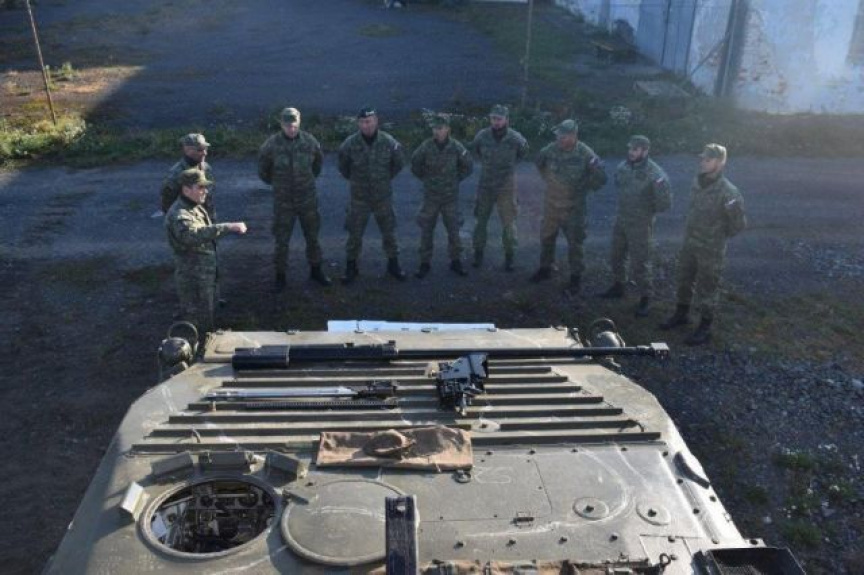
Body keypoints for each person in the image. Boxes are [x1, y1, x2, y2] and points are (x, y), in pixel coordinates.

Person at [660, 143, 746, 345]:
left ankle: (705, 326)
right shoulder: (698, 182)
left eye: (708, 159)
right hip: (690, 242)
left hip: (710, 248)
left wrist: (716, 236)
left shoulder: (728, 192)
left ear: (720, 162)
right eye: (703, 159)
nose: (703, 162)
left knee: (707, 286)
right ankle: (681, 313)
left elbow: (738, 225)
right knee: (683, 278)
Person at [165, 169, 247, 334]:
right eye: (200, 187)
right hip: (193, 277)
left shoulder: (194, 207)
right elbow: (192, 236)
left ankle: (210, 334)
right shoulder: (180, 214)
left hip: (203, 273)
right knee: (198, 320)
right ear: (186, 189)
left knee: (209, 311)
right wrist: (228, 227)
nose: (205, 191)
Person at [258, 107, 331, 290]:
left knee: (312, 237)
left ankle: (316, 270)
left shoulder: (310, 142)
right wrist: (280, 185)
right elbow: (263, 171)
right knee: (281, 240)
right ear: (281, 124)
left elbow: (317, 165)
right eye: (288, 126)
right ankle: (280, 276)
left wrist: (305, 181)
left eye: (294, 125)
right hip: (284, 202)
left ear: (299, 123)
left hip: (307, 199)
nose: (291, 129)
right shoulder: (271, 145)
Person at [530, 119, 607, 293]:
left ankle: (575, 278)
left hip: (573, 208)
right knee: (547, 237)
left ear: (573, 136)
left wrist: (584, 188)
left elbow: (601, 177)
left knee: (575, 243)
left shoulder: (585, 153)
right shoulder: (550, 149)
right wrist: (548, 179)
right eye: (558, 135)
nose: (559, 139)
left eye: (563, 136)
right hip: (552, 205)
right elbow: (539, 162)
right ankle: (545, 269)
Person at [600, 135, 671, 316]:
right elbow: (619, 184)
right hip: (622, 219)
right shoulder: (623, 167)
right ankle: (619, 286)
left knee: (640, 262)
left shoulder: (655, 174)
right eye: (630, 148)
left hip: (640, 224)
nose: (631, 152)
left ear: (645, 151)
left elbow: (664, 203)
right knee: (616, 255)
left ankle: (646, 297)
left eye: (635, 149)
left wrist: (645, 212)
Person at [337, 107, 406, 284]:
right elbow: (343, 167)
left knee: (389, 233)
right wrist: (357, 181)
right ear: (358, 123)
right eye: (362, 122)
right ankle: (351, 267)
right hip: (359, 198)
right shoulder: (349, 144)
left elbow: (398, 164)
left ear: (376, 121)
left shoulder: (388, 142)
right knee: (354, 235)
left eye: (369, 121)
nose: (366, 125)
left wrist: (383, 179)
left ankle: (393, 265)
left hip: (382, 197)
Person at [410, 114, 474, 278]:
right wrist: (426, 179)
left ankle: (456, 261)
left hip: (449, 197)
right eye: (434, 128)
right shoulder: (426, 146)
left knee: (453, 230)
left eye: (440, 128)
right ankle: (424, 263)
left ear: (447, 129)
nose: (436, 131)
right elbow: (415, 163)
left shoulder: (456, 147)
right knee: (426, 230)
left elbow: (468, 166)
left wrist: (456, 179)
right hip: (431, 197)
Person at [469, 104, 528, 271]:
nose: (496, 122)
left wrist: (508, 168)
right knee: (480, 221)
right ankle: (478, 254)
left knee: (508, 223)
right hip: (486, 185)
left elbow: (523, 153)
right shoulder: (482, 136)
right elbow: (476, 152)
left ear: (506, 120)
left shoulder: (515, 138)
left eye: (499, 119)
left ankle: (510, 257)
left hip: (506, 187)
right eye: (493, 118)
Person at [161, 133, 214, 216]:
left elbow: (209, 198)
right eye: (200, 149)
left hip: (204, 216)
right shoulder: (176, 173)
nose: (205, 153)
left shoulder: (206, 168)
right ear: (187, 150)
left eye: (205, 149)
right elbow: (167, 203)